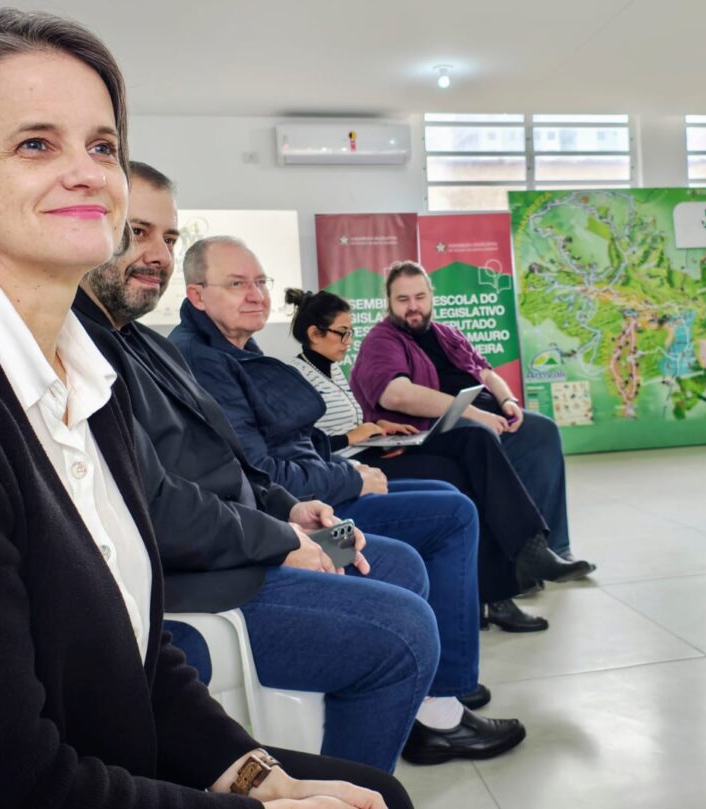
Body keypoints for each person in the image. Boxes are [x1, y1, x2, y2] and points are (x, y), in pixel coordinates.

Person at [0, 11, 406, 808]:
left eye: (102, 146)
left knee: (368, 793)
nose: (89, 173)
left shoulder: (84, 376)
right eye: (35, 144)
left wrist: (268, 781)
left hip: (113, 746)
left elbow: (136, 650)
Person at [78, 162, 525, 768]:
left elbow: (240, 466)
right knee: (406, 620)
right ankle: (400, 735)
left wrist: (293, 510)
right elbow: (162, 502)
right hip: (231, 566)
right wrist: (287, 529)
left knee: (394, 558)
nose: (155, 252)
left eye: (169, 237)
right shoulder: (104, 353)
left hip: (265, 530)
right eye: (136, 232)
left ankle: (430, 710)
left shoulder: (150, 345)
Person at [286, 287, 592, 629]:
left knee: (475, 442)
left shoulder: (334, 370)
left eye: (351, 332)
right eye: (343, 333)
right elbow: (302, 445)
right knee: (460, 476)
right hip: (350, 469)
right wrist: (351, 436)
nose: (348, 341)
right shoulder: (297, 378)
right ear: (315, 333)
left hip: (372, 450)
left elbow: (348, 420)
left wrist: (377, 426)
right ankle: (498, 592)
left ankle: (525, 555)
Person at [350, 261, 594, 570]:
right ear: (388, 302)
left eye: (420, 297)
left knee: (541, 432)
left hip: (484, 413)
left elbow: (487, 373)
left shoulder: (446, 334)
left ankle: (555, 546)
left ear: (431, 296)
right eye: (403, 299)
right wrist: (474, 413)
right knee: (481, 436)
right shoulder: (382, 340)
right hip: (435, 429)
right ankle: (523, 554)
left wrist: (507, 400)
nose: (413, 307)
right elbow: (397, 393)